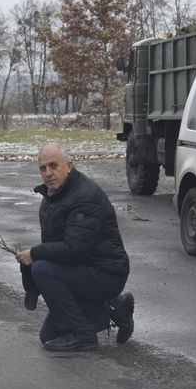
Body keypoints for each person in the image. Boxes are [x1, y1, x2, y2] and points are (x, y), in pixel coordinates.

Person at [16, 143, 135, 352]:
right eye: (43, 168)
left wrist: (35, 254)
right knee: (48, 336)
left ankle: (83, 334)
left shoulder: (85, 196)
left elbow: (75, 250)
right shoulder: (54, 195)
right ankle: (115, 309)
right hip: (82, 270)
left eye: (53, 166)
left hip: (106, 274)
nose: (48, 173)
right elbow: (58, 247)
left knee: (42, 269)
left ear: (69, 166)